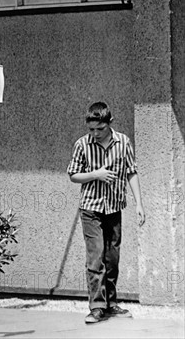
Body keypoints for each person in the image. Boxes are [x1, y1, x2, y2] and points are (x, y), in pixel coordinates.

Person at [67, 102, 145, 324]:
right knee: (96, 257)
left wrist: (140, 204)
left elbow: (132, 172)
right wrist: (95, 174)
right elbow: (73, 174)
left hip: (114, 207)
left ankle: (111, 304)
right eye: (91, 129)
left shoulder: (123, 142)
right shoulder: (82, 144)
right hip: (91, 209)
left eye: (99, 129)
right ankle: (97, 306)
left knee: (112, 258)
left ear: (109, 123)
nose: (94, 133)